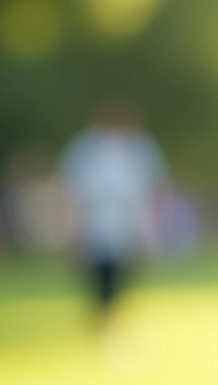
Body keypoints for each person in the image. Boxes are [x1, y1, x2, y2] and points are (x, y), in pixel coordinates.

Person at [60, 99, 168, 327]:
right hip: (95, 223)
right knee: (98, 276)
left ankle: (113, 319)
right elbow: (75, 191)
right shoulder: (85, 149)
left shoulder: (140, 148)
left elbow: (151, 188)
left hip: (129, 222)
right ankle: (102, 320)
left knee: (123, 275)